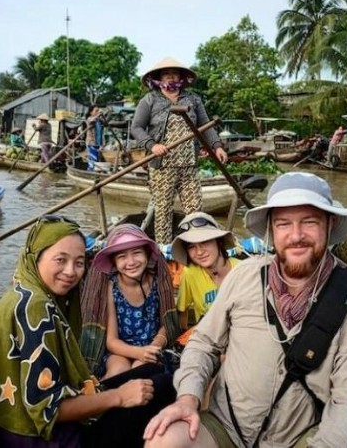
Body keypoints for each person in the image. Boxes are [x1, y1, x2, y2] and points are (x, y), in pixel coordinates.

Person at [144, 172, 347, 448]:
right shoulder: (244, 276)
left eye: (309, 222)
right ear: (271, 229)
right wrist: (188, 397)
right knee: (164, 439)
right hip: (228, 426)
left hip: (301, 438)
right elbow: (204, 344)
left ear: (329, 225)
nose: (296, 236)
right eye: (284, 224)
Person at [0, 216, 176, 447]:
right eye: (60, 260)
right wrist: (120, 396)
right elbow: (49, 411)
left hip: (19, 421)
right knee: (164, 387)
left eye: (79, 262)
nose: (70, 272)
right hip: (40, 437)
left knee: (154, 370)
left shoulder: (24, 292)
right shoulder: (36, 309)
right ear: (36, 256)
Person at [131, 57, 228, 244]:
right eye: (166, 74)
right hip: (162, 166)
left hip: (189, 165)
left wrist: (217, 146)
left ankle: (196, 247)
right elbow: (136, 127)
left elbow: (205, 126)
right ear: (159, 78)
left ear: (181, 77)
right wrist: (152, 145)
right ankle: (164, 251)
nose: (170, 78)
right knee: (163, 212)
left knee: (195, 210)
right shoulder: (149, 100)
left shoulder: (193, 99)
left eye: (174, 74)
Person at [81, 224, 180, 380]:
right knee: (119, 370)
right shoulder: (111, 288)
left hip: (152, 348)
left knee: (141, 370)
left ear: (147, 255)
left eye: (137, 253)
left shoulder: (157, 282)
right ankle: (100, 399)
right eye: (122, 257)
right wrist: (138, 352)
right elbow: (111, 341)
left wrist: (155, 345)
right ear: (114, 261)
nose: (131, 261)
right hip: (119, 350)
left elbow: (166, 324)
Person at [171, 212, 238, 330]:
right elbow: (182, 311)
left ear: (219, 242)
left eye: (205, 242)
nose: (199, 252)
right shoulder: (190, 273)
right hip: (208, 339)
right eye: (191, 247)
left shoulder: (241, 269)